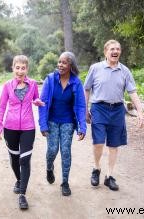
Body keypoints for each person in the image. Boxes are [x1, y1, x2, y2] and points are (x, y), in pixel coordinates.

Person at [84, 39, 144, 191]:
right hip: (99, 108)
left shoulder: (125, 71)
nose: (115, 51)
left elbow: (132, 92)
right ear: (105, 52)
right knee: (98, 142)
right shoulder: (95, 68)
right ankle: (96, 169)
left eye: (117, 49)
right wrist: (84, 109)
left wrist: (140, 112)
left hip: (117, 110)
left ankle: (109, 176)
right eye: (112, 49)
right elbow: (86, 89)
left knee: (113, 145)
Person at [0, 55, 44, 210]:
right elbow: (2, 106)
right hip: (10, 128)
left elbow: (36, 99)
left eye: (23, 68)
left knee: (25, 160)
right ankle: (18, 180)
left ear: (27, 69)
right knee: (15, 159)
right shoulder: (7, 86)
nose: (20, 71)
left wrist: (37, 102)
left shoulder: (32, 85)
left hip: (28, 128)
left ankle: (22, 194)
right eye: (17, 67)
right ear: (13, 68)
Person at [38, 51, 86, 196]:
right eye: (59, 62)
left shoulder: (76, 82)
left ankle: (65, 182)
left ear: (71, 65)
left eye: (64, 62)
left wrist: (82, 126)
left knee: (65, 151)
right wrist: (43, 124)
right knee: (52, 150)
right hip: (52, 121)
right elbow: (43, 103)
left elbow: (80, 106)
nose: (60, 65)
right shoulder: (50, 79)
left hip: (67, 122)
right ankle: (49, 167)